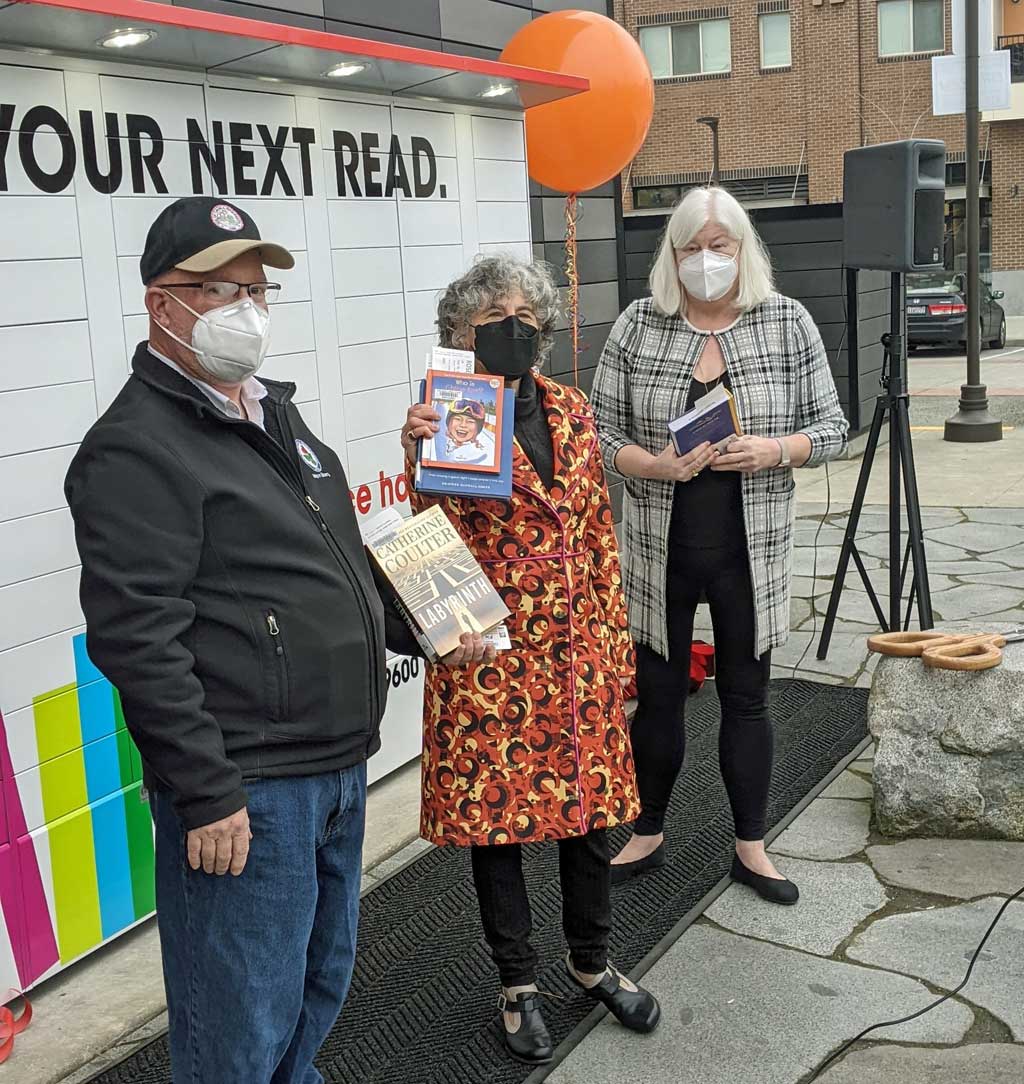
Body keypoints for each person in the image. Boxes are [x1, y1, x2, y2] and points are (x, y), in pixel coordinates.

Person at [64, 196, 487, 1084]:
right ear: (160, 304)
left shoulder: (277, 420)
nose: (245, 310)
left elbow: (337, 564)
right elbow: (139, 639)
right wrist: (207, 791)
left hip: (334, 767)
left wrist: (435, 621)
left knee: (312, 990)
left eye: (255, 290)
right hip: (249, 792)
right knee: (236, 1026)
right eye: (217, 291)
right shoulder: (134, 449)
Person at [401, 256, 661, 1066]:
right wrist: (415, 465)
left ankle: (592, 962)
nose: (513, 326)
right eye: (492, 316)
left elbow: (596, 539)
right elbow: (427, 543)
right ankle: (517, 985)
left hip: (580, 653)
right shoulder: (447, 416)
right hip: (492, 659)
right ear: (459, 335)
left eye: (524, 313)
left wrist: (619, 665)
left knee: (589, 821)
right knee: (498, 832)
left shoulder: (573, 410)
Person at [591, 187, 848, 905]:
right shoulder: (640, 326)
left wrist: (773, 448)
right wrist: (650, 464)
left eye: (719, 245)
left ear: (743, 249)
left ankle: (751, 845)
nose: (706, 260)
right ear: (671, 255)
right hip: (657, 547)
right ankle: (647, 830)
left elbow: (832, 428)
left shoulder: (786, 322)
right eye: (691, 247)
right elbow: (598, 432)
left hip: (750, 548)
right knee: (658, 694)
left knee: (747, 698)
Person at [437, 398, 495, 465]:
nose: (463, 425)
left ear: (477, 429)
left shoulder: (481, 454)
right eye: (457, 419)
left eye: (470, 421)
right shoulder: (440, 442)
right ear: (448, 423)